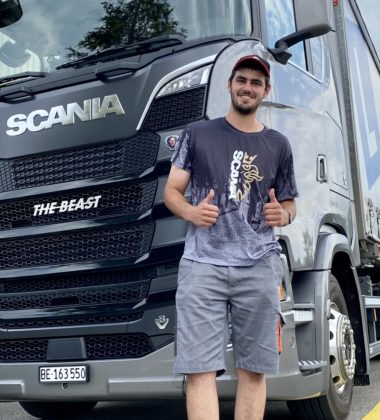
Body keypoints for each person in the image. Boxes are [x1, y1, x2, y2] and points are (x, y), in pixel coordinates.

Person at [164, 54, 298, 420]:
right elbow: (172, 191)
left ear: (265, 91)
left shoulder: (278, 144)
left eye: (256, 83)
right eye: (242, 80)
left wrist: (283, 214)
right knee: (199, 370)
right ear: (229, 85)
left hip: (259, 265)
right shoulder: (197, 133)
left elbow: (289, 203)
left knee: (253, 370)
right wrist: (191, 212)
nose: (247, 88)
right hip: (202, 264)